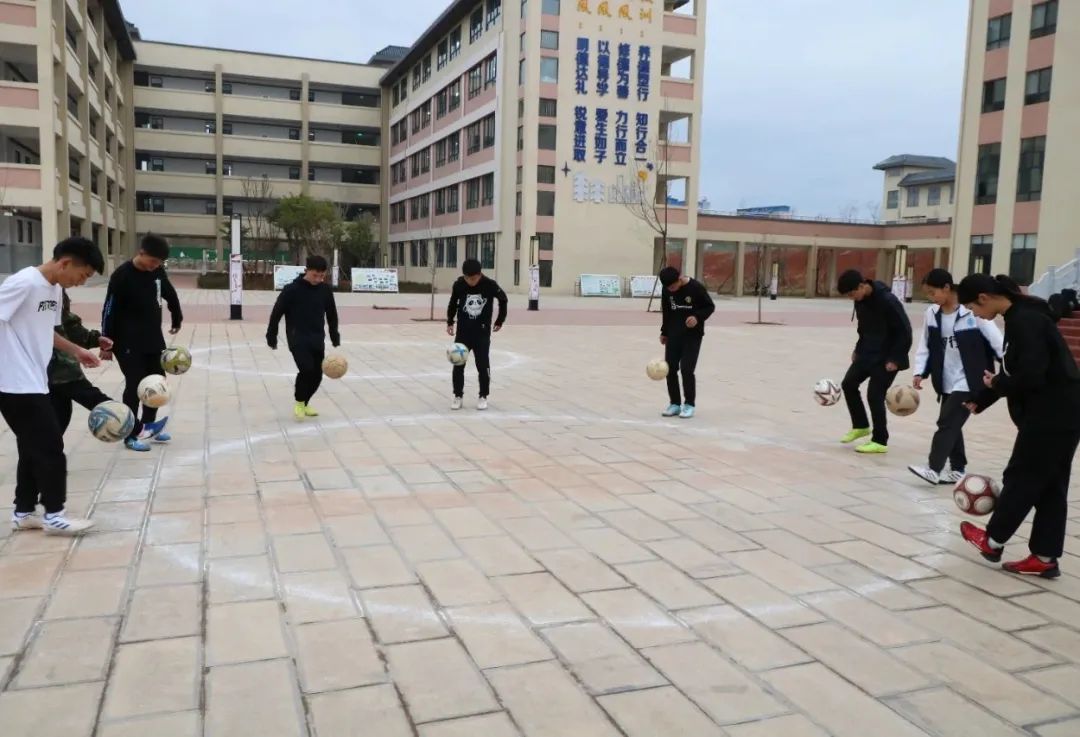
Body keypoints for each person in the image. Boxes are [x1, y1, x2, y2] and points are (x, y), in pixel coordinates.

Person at [957, 274, 1080, 578]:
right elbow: (1019, 371)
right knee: (1050, 486)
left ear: (984, 298)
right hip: (1063, 413)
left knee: (1022, 476)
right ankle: (1044, 557)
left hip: (1051, 415)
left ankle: (992, 541)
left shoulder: (1025, 321)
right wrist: (984, 397)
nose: (975, 314)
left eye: (973, 308)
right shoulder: (1022, 317)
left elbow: (1031, 376)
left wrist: (998, 384)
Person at [0, 237, 104, 535]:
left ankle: (23, 512)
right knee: (50, 447)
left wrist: (77, 350)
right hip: (15, 384)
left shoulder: (55, 289)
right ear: (65, 263)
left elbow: (46, 330)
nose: (82, 282)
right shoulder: (23, 283)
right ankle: (55, 514)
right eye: (83, 275)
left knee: (32, 448)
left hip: (36, 379)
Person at [908, 269, 1003, 485]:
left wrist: (1008, 370)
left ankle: (933, 469)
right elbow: (925, 344)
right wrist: (920, 371)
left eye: (932, 292)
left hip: (971, 379)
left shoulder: (972, 311)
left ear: (946, 288)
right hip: (946, 379)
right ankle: (958, 469)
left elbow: (998, 343)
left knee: (947, 421)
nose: (930, 298)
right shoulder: (932, 313)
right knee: (952, 423)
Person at [101, 233, 183, 451]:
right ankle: (130, 433)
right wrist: (106, 341)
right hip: (127, 341)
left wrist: (177, 317)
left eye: (159, 263)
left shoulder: (157, 271)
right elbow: (109, 308)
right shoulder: (122, 275)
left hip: (152, 338)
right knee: (135, 385)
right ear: (141, 253)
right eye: (152, 261)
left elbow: (170, 293)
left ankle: (148, 427)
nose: (155, 266)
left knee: (156, 383)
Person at [50, 289, 169, 438]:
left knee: (57, 419)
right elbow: (47, 331)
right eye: (83, 277)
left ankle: (138, 428)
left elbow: (68, 325)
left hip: (58, 372)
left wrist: (95, 339)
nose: (79, 283)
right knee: (94, 399)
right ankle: (138, 429)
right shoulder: (35, 288)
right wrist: (77, 351)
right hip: (54, 371)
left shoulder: (57, 290)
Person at [837, 269, 913, 454]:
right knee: (848, 384)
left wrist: (895, 358)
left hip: (887, 357)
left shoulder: (888, 301)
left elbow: (905, 331)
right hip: (867, 352)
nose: (851, 298)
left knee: (874, 394)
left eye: (852, 294)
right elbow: (863, 328)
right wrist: (858, 349)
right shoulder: (860, 301)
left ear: (862, 286)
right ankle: (861, 425)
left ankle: (880, 440)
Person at [266, 255, 340, 420]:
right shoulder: (291, 290)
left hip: (316, 337)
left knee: (317, 375)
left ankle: (305, 402)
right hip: (297, 337)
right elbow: (276, 313)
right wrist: (271, 336)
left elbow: (332, 315)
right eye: (315, 275)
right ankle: (299, 402)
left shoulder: (325, 290)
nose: (318, 279)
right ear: (307, 270)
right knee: (306, 369)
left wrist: (334, 335)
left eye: (322, 276)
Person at [446, 258, 507, 410]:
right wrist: (450, 322)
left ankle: (483, 396)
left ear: (479, 274)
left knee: (483, 365)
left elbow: (503, 299)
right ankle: (458, 396)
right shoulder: (459, 284)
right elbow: (453, 303)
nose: (470, 282)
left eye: (473, 279)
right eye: (467, 278)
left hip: (482, 333)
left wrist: (500, 320)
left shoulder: (489, 284)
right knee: (458, 364)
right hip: (463, 333)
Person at [658, 265, 715, 419]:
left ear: (680, 278)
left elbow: (709, 306)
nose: (671, 290)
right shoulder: (667, 290)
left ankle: (689, 404)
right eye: (668, 288)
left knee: (687, 369)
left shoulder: (695, 288)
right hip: (673, 335)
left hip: (692, 336)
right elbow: (667, 311)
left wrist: (697, 317)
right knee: (670, 369)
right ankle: (675, 404)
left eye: (673, 286)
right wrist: (664, 332)